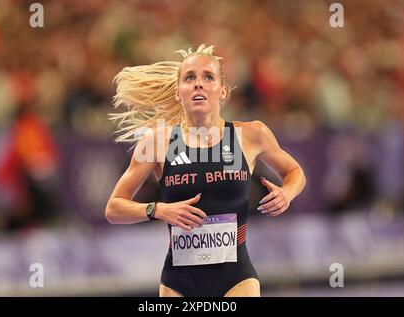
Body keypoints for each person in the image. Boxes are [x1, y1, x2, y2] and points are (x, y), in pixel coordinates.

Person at [105, 44, 306, 297]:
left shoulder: (250, 135)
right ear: (179, 92)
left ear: (222, 91)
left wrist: (287, 192)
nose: (198, 84)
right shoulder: (158, 143)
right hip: (179, 282)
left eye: (208, 77)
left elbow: (295, 171)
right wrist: (159, 210)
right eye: (190, 78)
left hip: (237, 278)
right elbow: (114, 208)